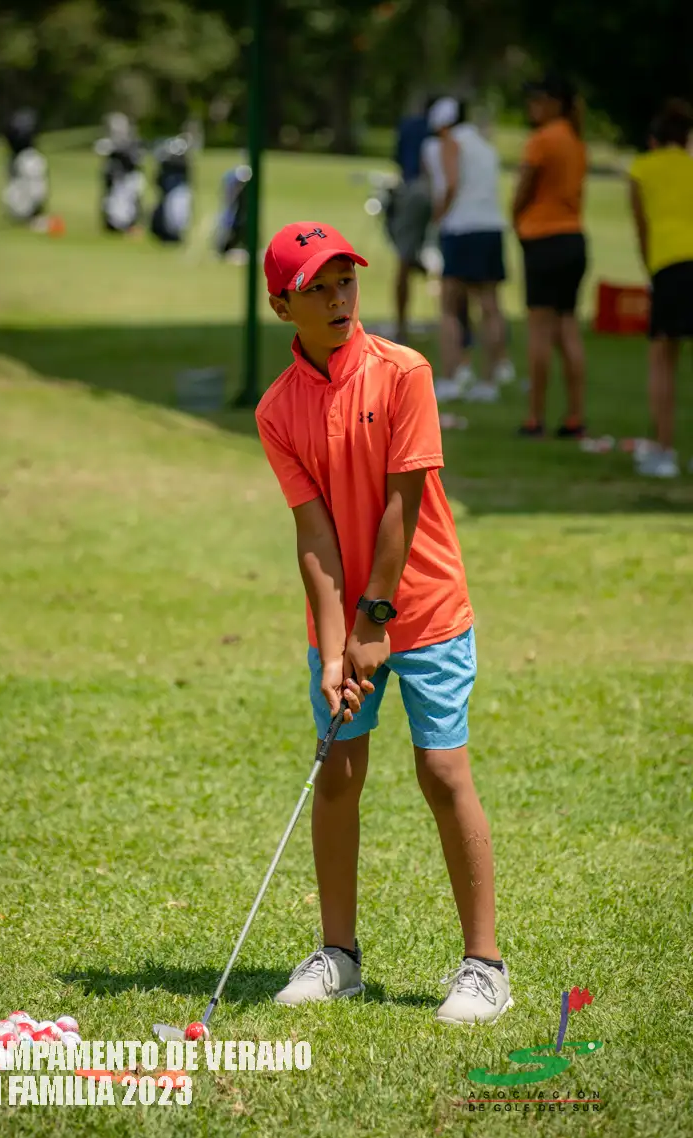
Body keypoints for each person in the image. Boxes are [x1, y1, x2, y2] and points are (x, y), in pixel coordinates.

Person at [255, 221, 512, 1026]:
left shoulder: (404, 372)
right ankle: (338, 957)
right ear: (282, 305)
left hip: (424, 608)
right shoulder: (276, 410)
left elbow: (403, 505)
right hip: (346, 622)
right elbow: (314, 536)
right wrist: (336, 650)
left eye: (346, 282)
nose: (339, 299)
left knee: (442, 772)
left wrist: (374, 620)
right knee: (337, 771)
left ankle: (485, 966)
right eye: (318, 289)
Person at [423, 100, 515, 401]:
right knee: (490, 306)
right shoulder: (485, 146)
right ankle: (489, 381)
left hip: (461, 228)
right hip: (492, 228)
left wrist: (438, 216)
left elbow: (451, 184)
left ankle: (450, 378)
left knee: (449, 307)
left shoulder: (451, 143)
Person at [512, 75, 588, 438]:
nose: (532, 107)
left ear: (555, 103)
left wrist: (516, 217)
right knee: (568, 326)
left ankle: (535, 417)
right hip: (574, 239)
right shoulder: (576, 141)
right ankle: (575, 416)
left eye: (538, 100)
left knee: (540, 331)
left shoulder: (542, 140)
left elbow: (524, 189)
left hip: (543, 239)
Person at [628, 99, 693, 478]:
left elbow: (642, 227)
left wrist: (651, 267)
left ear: (654, 140)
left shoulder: (642, 167)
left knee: (663, 360)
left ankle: (664, 450)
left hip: (669, 265)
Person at [389, 106, 433, 343]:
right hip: (439, 190)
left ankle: (401, 328)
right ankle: (461, 328)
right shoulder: (447, 130)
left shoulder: (409, 124)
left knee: (404, 259)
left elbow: (399, 159)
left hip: (414, 188)